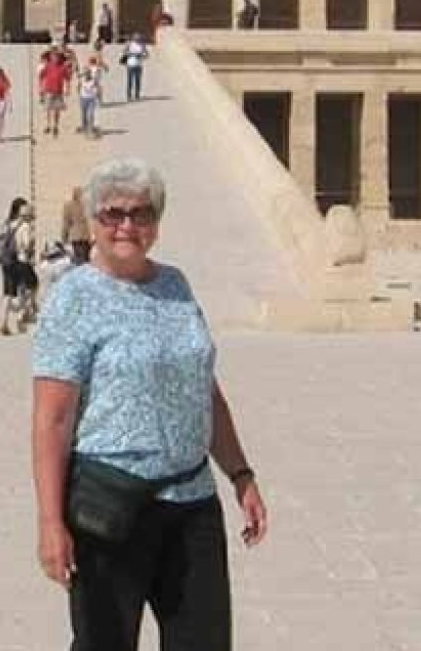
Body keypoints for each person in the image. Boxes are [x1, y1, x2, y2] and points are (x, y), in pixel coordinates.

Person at [32, 158, 268, 651]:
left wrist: (241, 474)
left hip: (192, 502)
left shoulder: (175, 284)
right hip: (110, 505)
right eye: (113, 214)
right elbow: (53, 419)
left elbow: (203, 388)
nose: (127, 226)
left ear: (156, 223)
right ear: (92, 221)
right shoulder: (73, 298)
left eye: (141, 214)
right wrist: (51, 522)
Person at [0, 198, 38, 336]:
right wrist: (31, 244)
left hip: (6, 261)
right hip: (21, 261)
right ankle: (21, 316)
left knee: (9, 292)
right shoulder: (25, 226)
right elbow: (26, 245)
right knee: (31, 286)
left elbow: (0, 240)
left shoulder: (7, 224)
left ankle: (4, 322)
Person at [60, 186, 92, 265]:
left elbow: (66, 223)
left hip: (76, 236)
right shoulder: (86, 206)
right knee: (86, 261)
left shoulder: (68, 206)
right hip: (85, 237)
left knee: (79, 261)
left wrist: (64, 238)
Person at [41, 48, 68, 137]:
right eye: (53, 56)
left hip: (58, 91)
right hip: (48, 90)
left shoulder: (63, 67)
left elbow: (67, 78)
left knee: (57, 110)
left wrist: (67, 89)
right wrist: (41, 88)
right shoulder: (48, 65)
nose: (55, 58)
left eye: (56, 56)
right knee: (48, 109)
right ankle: (48, 125)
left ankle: (55, 126)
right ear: (51, 57)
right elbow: (42, 76)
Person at [121, 32, 149, 101]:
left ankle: (137, 95)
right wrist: (131, 54)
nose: (137, 39)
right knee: (130, 81)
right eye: (136, 38)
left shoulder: (142, 45)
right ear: (133, 38)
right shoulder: (129, 44)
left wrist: (142, 56)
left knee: (138, 81)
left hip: (139, 64)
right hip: (130, 64)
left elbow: (147, 54)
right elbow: (124, 52)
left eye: (138, 38)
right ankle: (129, 96)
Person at [77, 67, 101, 138]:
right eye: (85, 73)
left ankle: (91, 128)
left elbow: (98, 87)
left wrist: (98, 96)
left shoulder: (94, 80)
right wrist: (80, 94)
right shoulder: (81, 80)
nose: (86, 74)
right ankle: (84, 127)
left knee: (91, 114)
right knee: (84, 114)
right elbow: (78, 87)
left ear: (90, 73)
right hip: (83, 98)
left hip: (91, 99)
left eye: (87, 73)